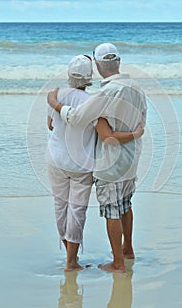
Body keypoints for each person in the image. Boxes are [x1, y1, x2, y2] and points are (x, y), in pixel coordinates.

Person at [48, 44, 147, 273]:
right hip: (132, 158)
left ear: (99, 66)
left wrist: (54, 103)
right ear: (119, 62)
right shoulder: (136, 86)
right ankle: (128, 249)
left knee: (112, 210)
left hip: (111, 162)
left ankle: (118, 263)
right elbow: (142, 120)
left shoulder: (106, 93)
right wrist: (135, 134)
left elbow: (76, 117)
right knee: (125, 205)